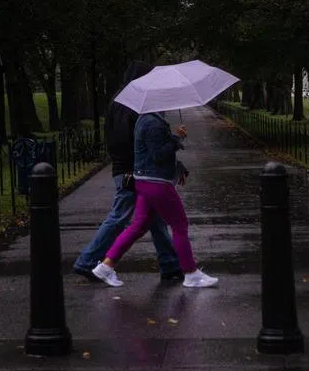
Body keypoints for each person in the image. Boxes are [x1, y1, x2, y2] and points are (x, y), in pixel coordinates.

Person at [72, 62, 183, 283]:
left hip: (135, 169)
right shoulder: (130, 104)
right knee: (120, 217)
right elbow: (129, 142)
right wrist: (136, 168)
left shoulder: (125, 101)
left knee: (155, 218)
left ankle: (170, 265)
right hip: (132, 171)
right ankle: (87, 261)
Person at [91, 111, 218, 289]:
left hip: (145, 181)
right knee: (179, 224)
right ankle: (191, 273)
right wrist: (176, 139)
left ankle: (106, 266)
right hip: (157, 183)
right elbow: (158, 155)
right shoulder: (153, 122)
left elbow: (154, 149)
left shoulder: (145, 118)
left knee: (138, 226)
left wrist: (174, 138)